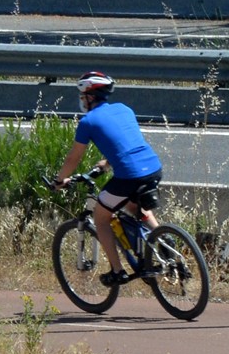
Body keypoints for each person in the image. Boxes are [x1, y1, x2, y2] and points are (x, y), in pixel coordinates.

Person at [52, 71, 164, 286]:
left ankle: (117, 271)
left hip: (129, 176)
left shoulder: (88, 121)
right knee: (133, 205)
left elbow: (73, 158)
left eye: (83, 96)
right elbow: (125, 143)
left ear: (90, 97)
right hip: (153, 168)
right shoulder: (124, 109)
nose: (81, 100)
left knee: (101, 217)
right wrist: (108, 162)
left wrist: (59, 180)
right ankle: (162, 236)